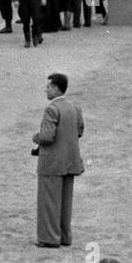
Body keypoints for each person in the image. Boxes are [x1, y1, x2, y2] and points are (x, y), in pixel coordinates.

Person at [32, 72, 84, 248]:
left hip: (52, 162)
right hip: (70, 160)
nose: (46, 90)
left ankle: (49, 238)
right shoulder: (74, 107)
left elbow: (47, 136)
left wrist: (35, 137)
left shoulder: (52, 109)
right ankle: (64, 236)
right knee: (65, 202)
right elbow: (79, 131)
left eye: (48, 87)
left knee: (49, 201)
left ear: (55, 88)